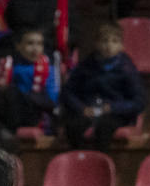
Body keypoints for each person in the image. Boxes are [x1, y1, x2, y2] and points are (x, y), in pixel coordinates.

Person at [59, 22, 145, 152]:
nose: (109, 46)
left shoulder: (127, 69)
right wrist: (81, 108)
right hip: (88, 109)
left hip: (115, 113)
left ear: (121, 46)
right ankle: (78, 159)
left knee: (104, 128)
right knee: (73, 126)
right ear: (97, 44)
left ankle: (100, 164)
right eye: (105, 41)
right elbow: (68, 92)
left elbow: (139, 101)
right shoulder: (86, 66)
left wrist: (113, 108)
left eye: (114, 42)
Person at [0, 27, 59, 148]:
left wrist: (24, 96)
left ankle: (5, 135)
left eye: (39, 44)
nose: (35, 48)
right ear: (18, 46)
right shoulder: (5, 65)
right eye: (30, 43)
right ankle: (3, 133)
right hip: (3, 111)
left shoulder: (49, 69)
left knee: (11, 92)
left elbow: (52, 101)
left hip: (32, 112)